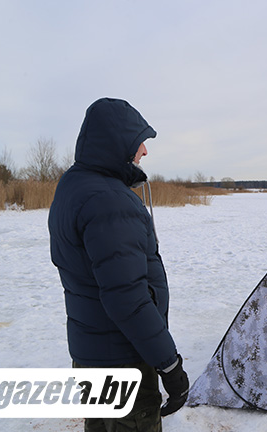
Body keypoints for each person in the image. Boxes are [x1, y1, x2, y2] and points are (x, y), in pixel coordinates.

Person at [48, 98, 189, 431]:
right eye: (139, 141)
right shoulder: (109, 201)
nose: (145, 151)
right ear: (118, 141)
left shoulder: (73, 187)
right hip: (122, 362)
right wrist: (169, 366)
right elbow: (127, 298)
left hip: (91, 356)